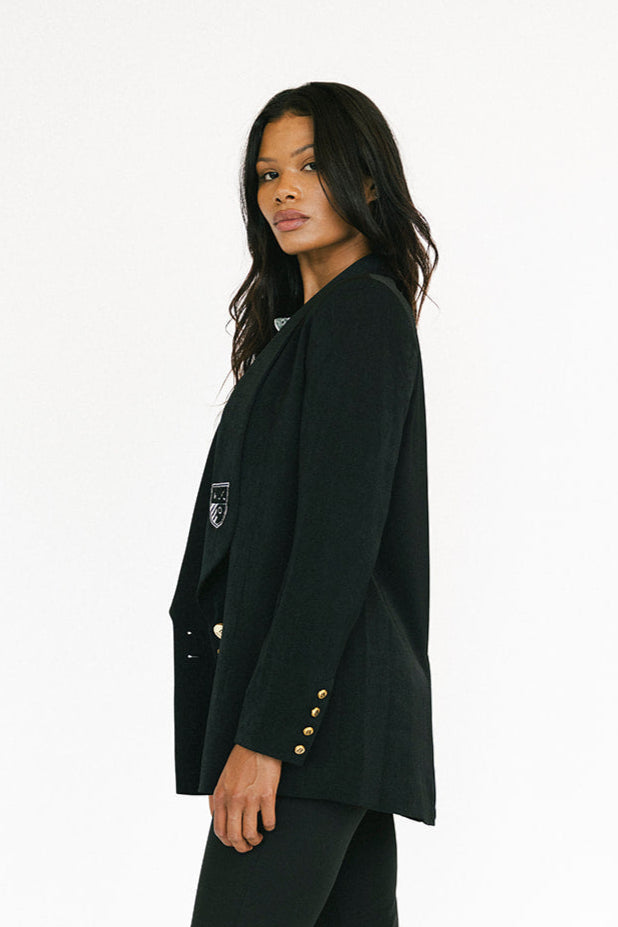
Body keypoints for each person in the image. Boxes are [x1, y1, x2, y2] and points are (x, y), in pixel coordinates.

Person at [168, 80, 439, 927]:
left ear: (367, 178)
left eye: (311, 166)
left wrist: (269, 737)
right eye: (268, 173)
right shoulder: (313, 327)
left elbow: (335, 545)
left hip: (313, 731)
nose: (284, 189)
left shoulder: (360, 317)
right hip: (340, 728)